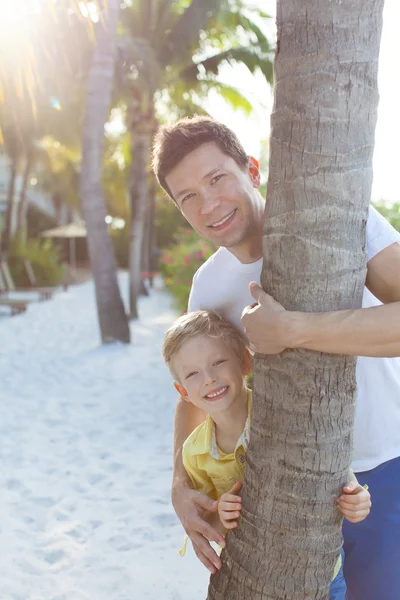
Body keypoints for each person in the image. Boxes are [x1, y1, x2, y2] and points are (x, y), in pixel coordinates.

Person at [152, 116, 400, 600]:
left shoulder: (338, 219)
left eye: (217, 178)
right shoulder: (208, 285)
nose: (209, 205)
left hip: (388, 468)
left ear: (252, 169)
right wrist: (180, 485)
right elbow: (193, 396)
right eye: (189, 198)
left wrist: (294, 330)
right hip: (285, 487)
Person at [162, 309, 371, 599]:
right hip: (253, 579)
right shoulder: (195, 454)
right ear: (183, 391)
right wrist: (221, 513)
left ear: (245, 362)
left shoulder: (280, 413)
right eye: (193, 373)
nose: (208, 379)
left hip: (319, 571)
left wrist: (357, 496)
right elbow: (206, 523)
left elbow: (329, 463)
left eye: (218, 362)